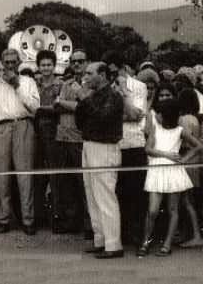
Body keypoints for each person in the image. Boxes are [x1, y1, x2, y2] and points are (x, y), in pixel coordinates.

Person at [137, 98, 203, 257]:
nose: (157, 115)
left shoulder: (180, 130)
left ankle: (167, 244)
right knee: (152, 210)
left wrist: (184, 160)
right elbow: (148, 149)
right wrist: (166, 154)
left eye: (159, 113)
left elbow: (199, 146)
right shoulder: (155, 128)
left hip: (173, 172)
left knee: (173, 209)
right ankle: (146, 241)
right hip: (157, 170)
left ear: (165, 115)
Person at [0, 49, 39, 235]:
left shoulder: (28, 82)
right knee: (3, 176)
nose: (9, 66)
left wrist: (17, 85)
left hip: (23, 125)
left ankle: (28, 219)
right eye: (6, 62)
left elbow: (34, 107)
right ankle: (3, 218)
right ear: (2, 62)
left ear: (19, 62)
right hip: (1, 128)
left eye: (13, 62)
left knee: (24, 175)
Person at [75, 62, 124, 259]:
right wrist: (85, 101)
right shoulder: (92, 96)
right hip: (89, 144)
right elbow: (80, 120)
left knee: (104, 195)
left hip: (104, 147)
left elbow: (103, 117)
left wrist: (84, 99)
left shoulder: (114, 96)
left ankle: (113, 244)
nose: (85, 76)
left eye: (89, 73)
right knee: (92, 195)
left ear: (102, 75)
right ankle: (101, 239)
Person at [106, 53, 148, 245]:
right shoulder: (107, 87)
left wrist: (123, 92)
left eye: (115, 71)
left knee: (137, 192)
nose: (113, 75)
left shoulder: (139, 87)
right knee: (117, 191)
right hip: (115, 144)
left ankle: (138, 234)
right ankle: (121, 235)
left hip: (135, 144)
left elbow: (135, 114)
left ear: (124, 68)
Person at [53, 49, 89, 234]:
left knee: (83, 182)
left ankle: (88, 224)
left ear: (86, 62)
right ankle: (71, 221)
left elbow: (85, 106)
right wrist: (68, 105)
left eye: (80, 61)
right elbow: (55, 105)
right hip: (63, 136)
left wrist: (64, 103)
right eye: (73, 61)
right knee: (66, 182)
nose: (76, 64)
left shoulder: (89, 82)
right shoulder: (66, 83)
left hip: (79, 138)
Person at [34, 50, 64, 231]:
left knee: (55, 175)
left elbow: (58, 108)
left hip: (54, 133)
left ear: (54, 66)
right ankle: (39, 216)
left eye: (49, 65)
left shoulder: (59, 85)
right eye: (43, 65)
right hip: (36, 133)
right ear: (38, 66)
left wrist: (39, 109)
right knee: (38, 175)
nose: (46, 68)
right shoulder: (34, 85)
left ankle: (57, 217)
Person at [177, 88, 203, 248]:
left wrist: (184, 159)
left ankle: (195, 235)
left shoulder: (185, 119)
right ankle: (190, 233)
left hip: (189, 161)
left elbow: (190, 143)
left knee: (187, 201)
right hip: (195, 163)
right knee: (188, 200)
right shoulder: (195, 118)